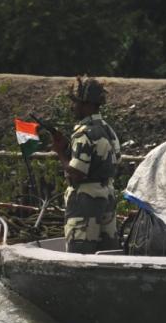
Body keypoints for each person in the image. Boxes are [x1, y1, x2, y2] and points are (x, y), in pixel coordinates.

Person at [50, 76, 122, 254]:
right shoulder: (107, 129)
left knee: (79, 251)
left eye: (75, 103)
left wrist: (60, 152)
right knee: (108, 251)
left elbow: (77, 173)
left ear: (87, 105)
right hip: (107, 194)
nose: (72, 107)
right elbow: (114, 159)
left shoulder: (84, 133)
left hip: (85, 200)